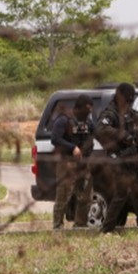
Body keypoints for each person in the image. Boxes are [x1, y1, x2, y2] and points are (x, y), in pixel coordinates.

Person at [95, 83, 138, 233]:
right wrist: (121, 135)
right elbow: (100, 129)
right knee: (121, 194)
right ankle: (106, 229)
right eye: (127, 100)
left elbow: (137, 117)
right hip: (120, 160)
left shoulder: (128, 112)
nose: (129, 103)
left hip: (132, 159)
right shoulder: (110, 113)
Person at [51, 94, 95, 229]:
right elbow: (55, 139)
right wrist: (72, 147)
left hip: (84, 163)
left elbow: (96, 134)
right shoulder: (64, 120)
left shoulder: (88, 122)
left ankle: (80, 225)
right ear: (79, 107)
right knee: (63, 195)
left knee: (86, 196)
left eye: (91, 109)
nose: (89, 111)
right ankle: (58, 226)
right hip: (67, 162)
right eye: (87, 108)